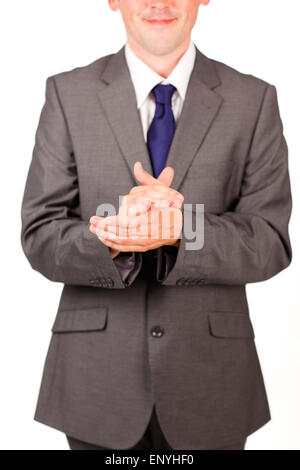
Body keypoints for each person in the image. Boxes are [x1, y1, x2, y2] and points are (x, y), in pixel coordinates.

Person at [20, 0, 292, 450]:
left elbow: (270, 240)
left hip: (210, 382)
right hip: (96, 384)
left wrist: (182, 229)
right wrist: (112, 235)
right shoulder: (68, 93)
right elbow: (40, 231)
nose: (157, 3)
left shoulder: (254, 99)